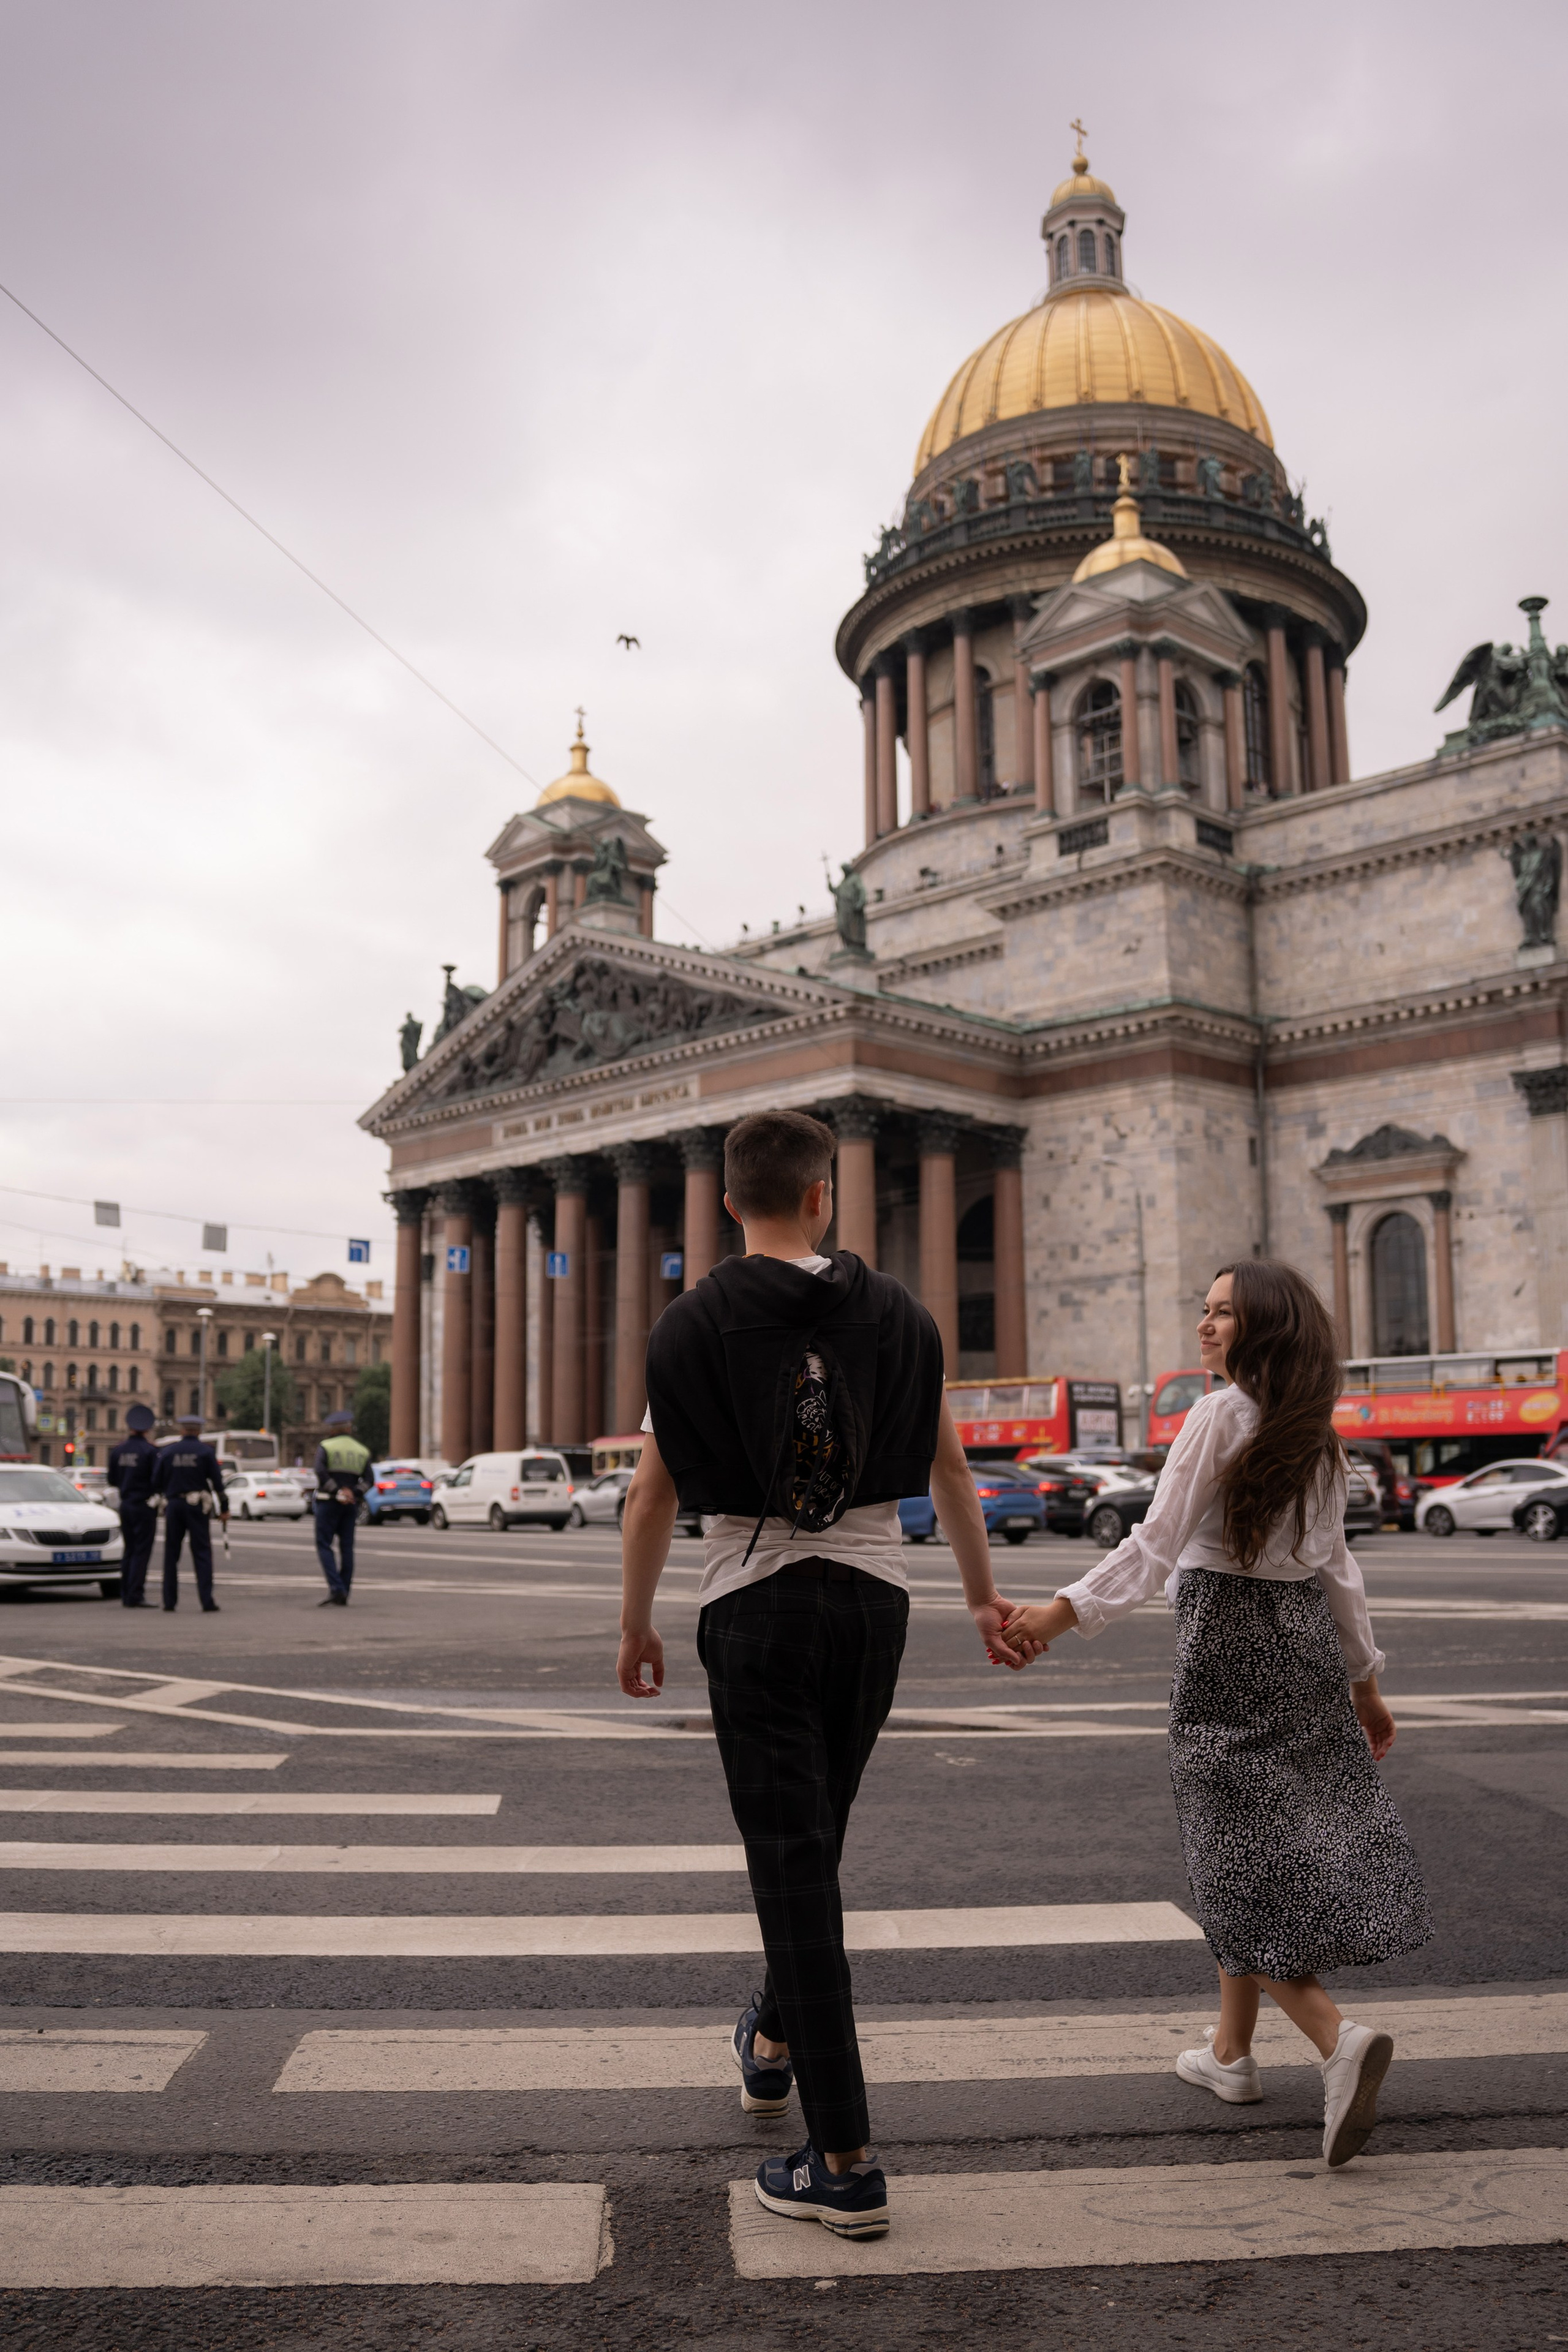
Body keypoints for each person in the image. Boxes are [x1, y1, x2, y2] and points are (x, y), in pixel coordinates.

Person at [618, 1107, 1031, 2241]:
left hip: (749, 1607)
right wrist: (983, 1596)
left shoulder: (690, 1322)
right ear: (821, 1195)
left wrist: (636, 1624)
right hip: (875, 1605)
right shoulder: (900, 1313)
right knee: (814, 1845)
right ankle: (771, 2036)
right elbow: (949, 1465)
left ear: (724, 1201)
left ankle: (843, 2157)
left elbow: (652, 1494)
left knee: (795, 1864)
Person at [1000, 1259, 1431, 2169]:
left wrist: (1059, 1612)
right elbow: (1338, 1571)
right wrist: (1365, 1682)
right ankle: (1230, 2055)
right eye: (1204, 1311)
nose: (1206, 1325)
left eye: (1224, 1313)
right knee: (1252, 1848)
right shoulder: (1315, 1432)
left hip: (1226, 1642)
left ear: (1264, 1326)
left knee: (1229, 1853)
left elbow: (1154, 1544)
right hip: (1305, 1646)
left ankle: (1333, 2038)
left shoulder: (1219, 1413)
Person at [152, 1416, 227, 1614]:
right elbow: (218, 1483)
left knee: (171, 1554)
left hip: (175, 1505)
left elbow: (156, 1481)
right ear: (199, 1431)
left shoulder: (168, 1452)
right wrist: (224, 1508)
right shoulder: (206, 1452)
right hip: (197, 1506)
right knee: (202, 1553)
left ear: (182, 1430)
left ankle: (169, 1602)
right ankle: (206, 1601)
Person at [312, 1410, 372, 1605]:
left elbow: (320, 1471)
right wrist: (354, 1493)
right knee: (347, 1549)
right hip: (350, 1507)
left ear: (334, 1430)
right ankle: (344, 1590)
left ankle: (336, 1588)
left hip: (328, 1502)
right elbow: (370, 1480)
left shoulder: (326, 1447)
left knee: (324, 1544)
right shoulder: (362, 1450)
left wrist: (338, 1491)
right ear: (348, 1428)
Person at [105, 1403, 160, 1607]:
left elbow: (112, 1480)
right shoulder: (150, 1451)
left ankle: (126, 1593)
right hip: (144, 1506)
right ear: (147, 1428)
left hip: (125, 1505)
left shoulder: (118, 1451)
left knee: (129, 1550)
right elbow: (157, 1481)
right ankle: (136, 1595)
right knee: (141, 1551)